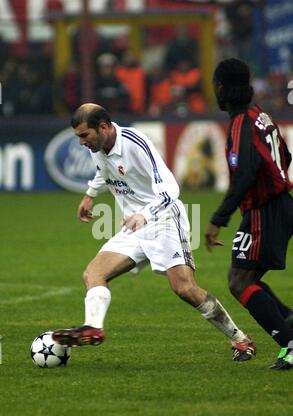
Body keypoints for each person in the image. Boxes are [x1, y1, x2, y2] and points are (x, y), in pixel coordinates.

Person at [53, 103, 256, 361]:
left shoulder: (136, 144)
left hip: (164, 219)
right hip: (133, 225)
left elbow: (171, 190)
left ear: (103, 127)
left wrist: (145, 215)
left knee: (184, 288)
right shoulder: (97, 146)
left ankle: (241, 340)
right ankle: (93, 327)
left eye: (84, 136)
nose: (82, 142)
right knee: (93, 273)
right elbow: (104, 171)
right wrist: (90, 195)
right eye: (78, 137)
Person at [205, 58, 293, 370]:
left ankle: (290, 344)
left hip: (264, 209)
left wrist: (219, 218)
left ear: (222, 88)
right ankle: (289, 324)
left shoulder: (243, 121)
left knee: (239, 282)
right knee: (245, 277)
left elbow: (246, 172)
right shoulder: (260, 115)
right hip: (279, 204)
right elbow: (286, 154)